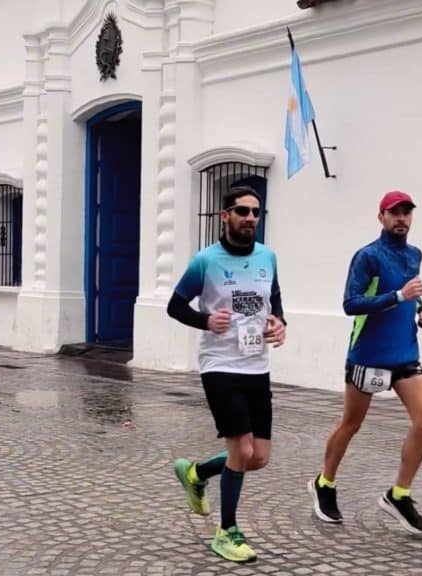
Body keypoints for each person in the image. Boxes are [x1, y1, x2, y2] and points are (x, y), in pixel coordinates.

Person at [167, 185, 287, 563]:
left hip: (257, 366)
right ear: (225, 216)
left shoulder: (268, 257)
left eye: (255, 212)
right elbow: (174, 306)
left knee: (260, 457)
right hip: (220, 366)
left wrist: (279, 324)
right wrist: (205, 320)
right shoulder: (205, 261)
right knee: (242, 449)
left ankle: (196, 473)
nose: (250, 218)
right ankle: (226, 532)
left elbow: (276, 304)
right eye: (242, 211)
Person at [308, 190, 422, 535]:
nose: (402, 218)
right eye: (394, 212)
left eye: (407, 212)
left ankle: (399, 494)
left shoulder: (414, 254)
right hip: (368, 354)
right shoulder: (367, 256)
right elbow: (351, 303)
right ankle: (324, 484)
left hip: (405, 354)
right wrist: (398, 297)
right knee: (351, 423)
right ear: (381, 216)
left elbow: (412, 290)